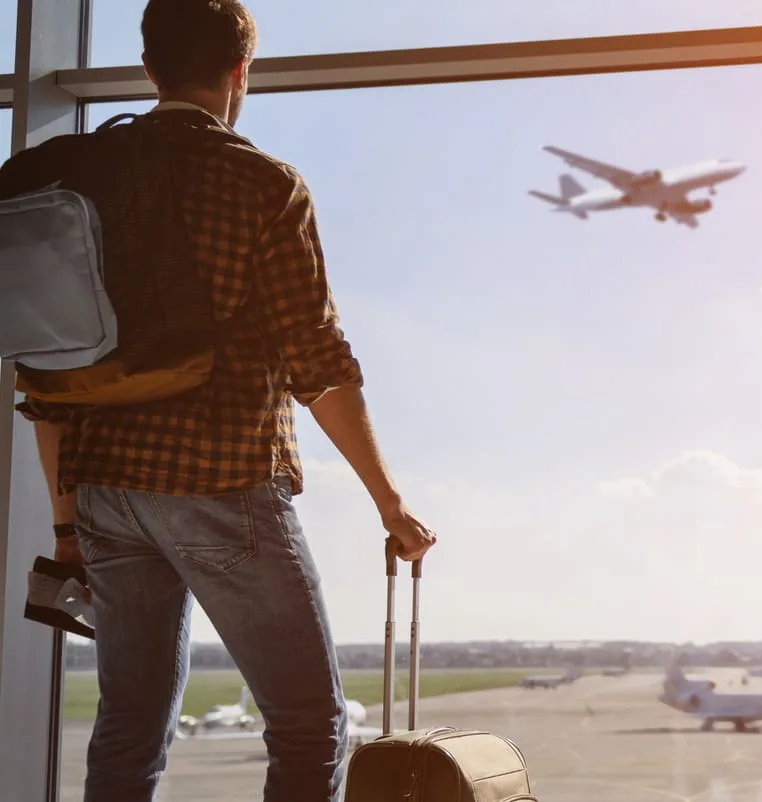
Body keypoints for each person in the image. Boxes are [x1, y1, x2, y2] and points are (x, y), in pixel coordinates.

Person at [2, 1, 437, 800]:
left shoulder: (82, 177)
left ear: (148, 68)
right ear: (241, 72)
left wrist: (67, 524)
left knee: (129, 725)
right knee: (310, 724)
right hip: (221, 480)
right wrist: (389, 502)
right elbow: (321, 365)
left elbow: (49, 380)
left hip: (105, 492)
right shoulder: (262, 184)